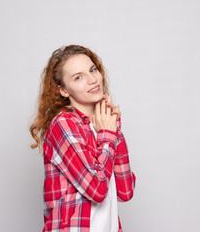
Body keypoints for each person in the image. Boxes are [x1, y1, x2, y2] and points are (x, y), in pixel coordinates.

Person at [29, 44, 136, 232]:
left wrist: (115, 128)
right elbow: (97, 190)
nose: (92, 80)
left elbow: (125, 191)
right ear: (63, 90)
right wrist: (109, 135)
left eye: (92, 70)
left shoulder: (103, 126)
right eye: (78, 77)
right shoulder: (64, 124)